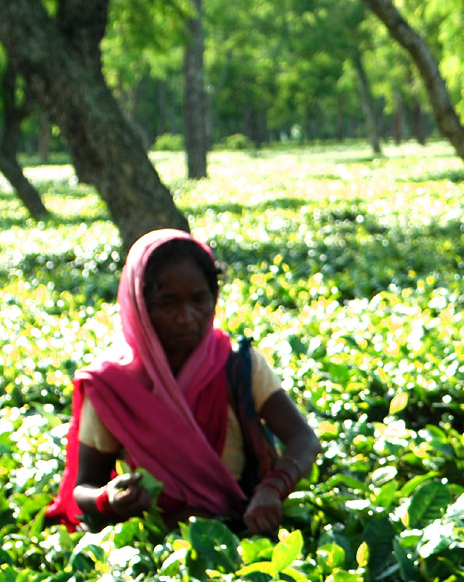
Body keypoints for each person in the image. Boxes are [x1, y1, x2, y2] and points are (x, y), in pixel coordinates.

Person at [47, 229, 320, 536]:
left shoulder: (239, 364)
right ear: (140, 304)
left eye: (199, 300)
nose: (187, 317)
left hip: (244, 528)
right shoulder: (113, 386)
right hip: (155, 544)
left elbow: (303, 439)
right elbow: (83, 487)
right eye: (167, 303)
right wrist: (109, 498)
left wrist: (272, 489)